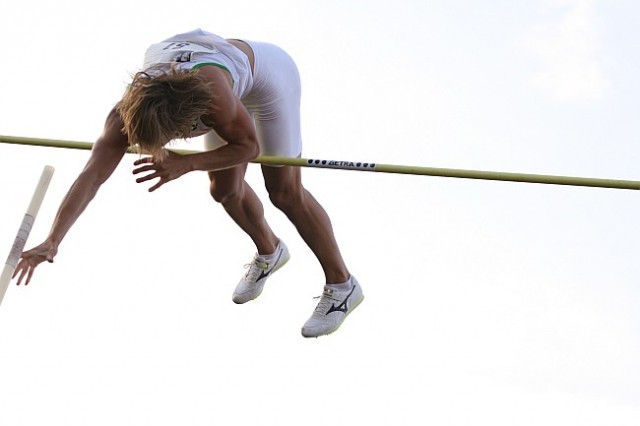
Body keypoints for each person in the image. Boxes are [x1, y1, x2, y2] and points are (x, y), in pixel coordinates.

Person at [12, 29, 363, 338]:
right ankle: (270, 251)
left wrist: (188, 162)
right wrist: (53, 239)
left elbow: (248, 147)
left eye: (171, 139)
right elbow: (92, 177)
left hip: (268, 76)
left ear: (189, 123)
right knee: (224, 191)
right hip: (205, 72)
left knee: (284, 192)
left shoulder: (212, 98)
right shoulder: (122, 116)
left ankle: (342, 284)